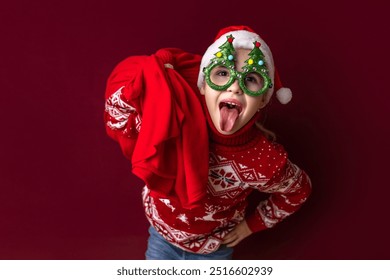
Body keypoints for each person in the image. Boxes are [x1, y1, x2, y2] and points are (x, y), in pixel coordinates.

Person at [104, 25, 312, 260]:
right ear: (203, 85)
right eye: (223, 73)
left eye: (251, 79)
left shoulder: (264, 160)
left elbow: (298, 190)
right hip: (162, 238)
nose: (234, 86)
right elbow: (119, 118)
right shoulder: (174, 116)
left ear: (263, 98)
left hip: (213, 251)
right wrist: (153, 70)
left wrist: (252, 225)